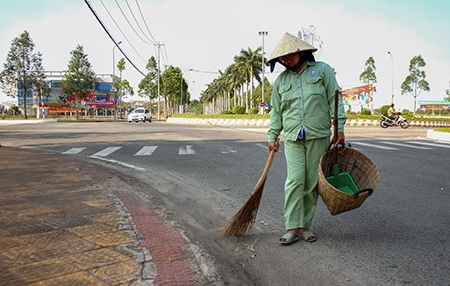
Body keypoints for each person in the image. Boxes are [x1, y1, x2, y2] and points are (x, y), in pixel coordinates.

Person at [266, 33, 347, 245]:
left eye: (290, 54)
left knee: (311, 182)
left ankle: (305, 226)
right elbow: (277, 112)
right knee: (294, 181)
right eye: (283, 57)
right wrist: (273, 136)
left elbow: (335, 99)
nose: (287, 59)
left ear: (301, 51)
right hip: (293, 136)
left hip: (318, 134)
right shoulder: (281, 82)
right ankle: (292, 226)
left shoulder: (322, 71)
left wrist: (340, 128)